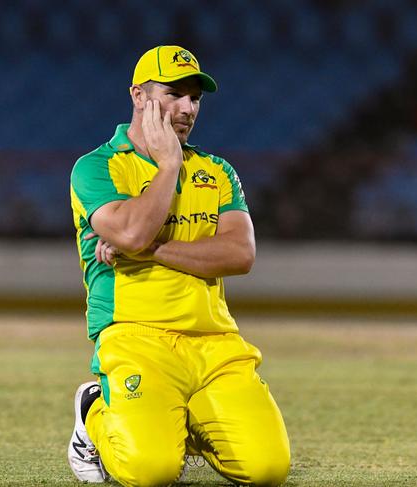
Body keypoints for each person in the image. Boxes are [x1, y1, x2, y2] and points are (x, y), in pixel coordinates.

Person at [67, 45, 291, 486]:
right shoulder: (97, 167)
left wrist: (150, 249)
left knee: (268, 470)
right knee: (150, 473)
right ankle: (92, 413)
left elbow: (240, 255)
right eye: (174, 94)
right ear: (138, 95)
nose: (188, 108)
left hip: (215, 344)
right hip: (135, 337)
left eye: (196, 98)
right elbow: (130, 233)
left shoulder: (217, 170)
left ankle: (175, 421)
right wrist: (168, 165)